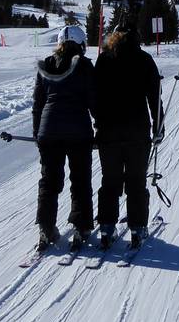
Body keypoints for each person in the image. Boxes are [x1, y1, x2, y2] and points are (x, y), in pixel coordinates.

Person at [93, 21, 163, 250]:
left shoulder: (104, 59)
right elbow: (155, 97)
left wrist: (99, 122)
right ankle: (137, 227)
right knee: (136, 180)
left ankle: (106, 227)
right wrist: (158, 127)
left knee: (110, 180)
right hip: (137, 131)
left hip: (109, 132)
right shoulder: (144, 60)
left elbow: (94, 96)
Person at [31, 24, 96, 252]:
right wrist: (101, 128)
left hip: (48, 131)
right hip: (78, 131)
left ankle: (45, 227)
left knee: (49, 181)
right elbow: (94, 101)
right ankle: (81, 226)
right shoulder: (84, 66)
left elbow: (38, 103)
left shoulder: (46, 66)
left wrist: (38, 133)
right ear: (80, 44)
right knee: (80, 179)